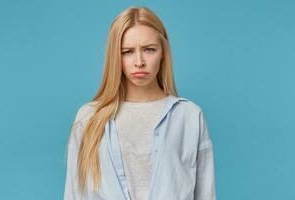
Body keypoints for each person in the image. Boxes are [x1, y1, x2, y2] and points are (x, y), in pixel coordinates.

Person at [64, 6, 216, 200]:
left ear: (163, 52)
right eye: (127, 51)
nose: (139, 61)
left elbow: (205, 194)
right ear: (115, 56)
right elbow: (74, 194)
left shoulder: (189, 116)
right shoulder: (88, 118)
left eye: (149, 49)